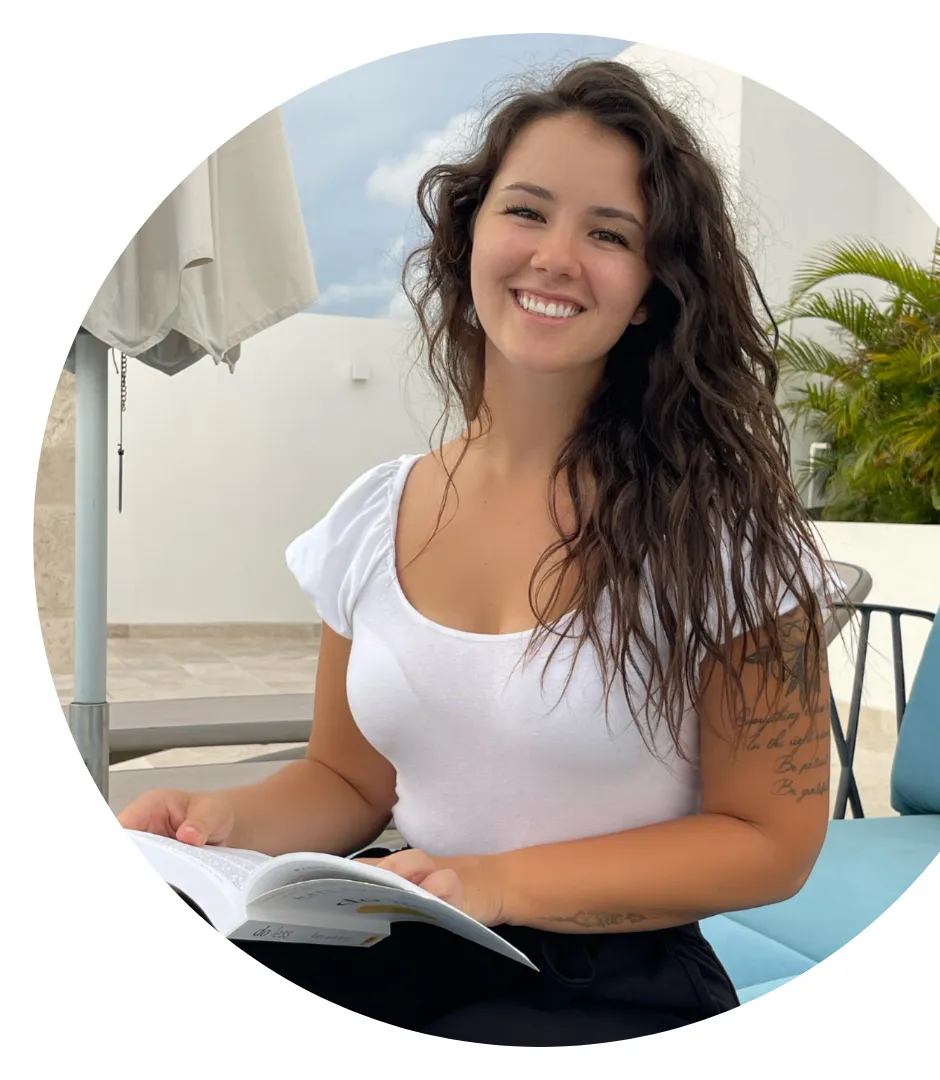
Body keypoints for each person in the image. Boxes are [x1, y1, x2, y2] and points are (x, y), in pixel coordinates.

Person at [117, 58, 835, 1045]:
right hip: (401, 928)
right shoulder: (371, 518)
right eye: (527, 211)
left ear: (651, 292)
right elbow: (347, 784)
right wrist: (219, 820)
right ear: (468, 241)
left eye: (610, 234)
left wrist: (497, 884)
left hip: (612, 978)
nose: (556, 256)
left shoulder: (727, 540)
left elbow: (772, 842)